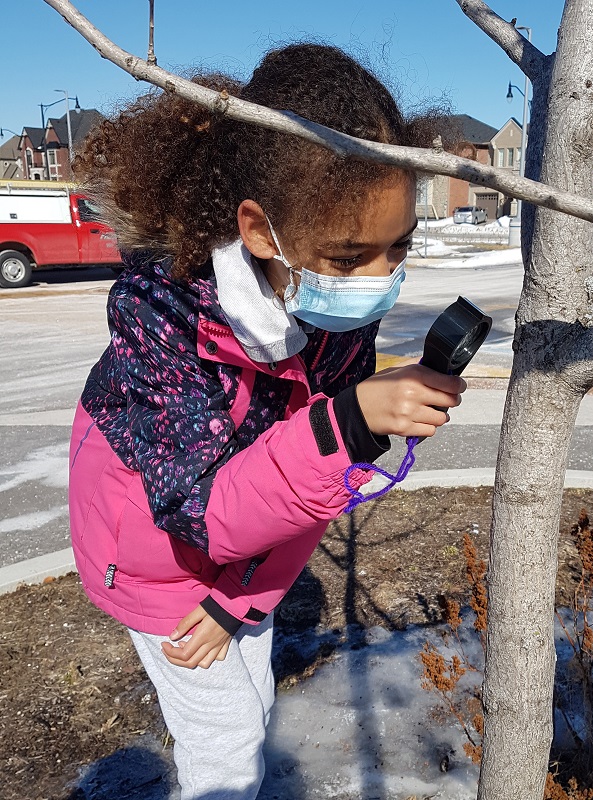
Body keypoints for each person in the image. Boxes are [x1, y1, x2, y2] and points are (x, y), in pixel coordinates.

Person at [68, 43, 465, 800]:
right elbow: (203, 514)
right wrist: (346, 425)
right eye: (351, 258)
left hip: (243, 556)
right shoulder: (166, 324)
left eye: (399, 248)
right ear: (258, 231)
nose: (381, 281)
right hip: (154, 560)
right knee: (226, 740)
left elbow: (317, 489)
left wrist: (240, 599)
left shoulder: (333, 323)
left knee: (250, 704)